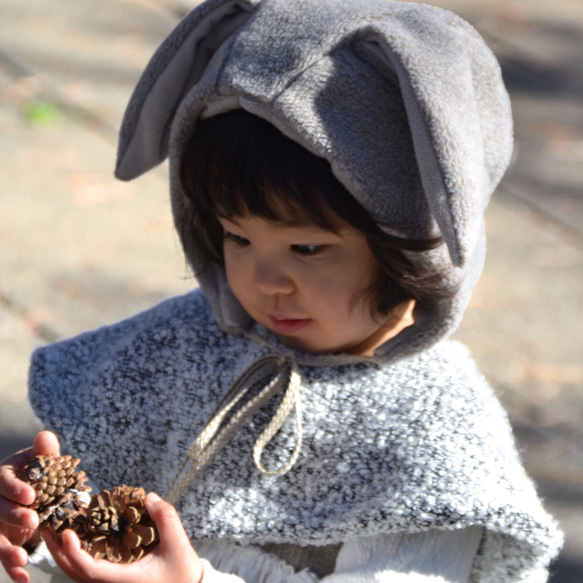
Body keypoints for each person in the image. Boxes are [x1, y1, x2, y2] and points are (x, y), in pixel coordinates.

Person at [0, 0, 563, 581]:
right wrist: (44, 521)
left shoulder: (439, 437)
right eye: (236, 237)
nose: (264, 282)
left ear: (411, 244)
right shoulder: (181, 347)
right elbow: (94, 522)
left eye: (308, 248)